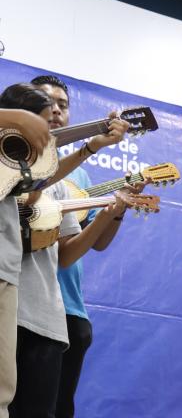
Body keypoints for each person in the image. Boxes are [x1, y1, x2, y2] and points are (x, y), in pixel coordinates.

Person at [0, 82, 129, 418]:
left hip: (42, 311)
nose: (55, 116)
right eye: (44, 114)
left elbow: (36, 185)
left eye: (62, 105)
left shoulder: (52, 180)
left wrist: (91, 151)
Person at [30, 75, 147, 418]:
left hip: (67, 308)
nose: (54, 111)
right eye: (45, 102)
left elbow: (92, 244)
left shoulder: (77, 178)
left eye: (63, 106)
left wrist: (117, 211)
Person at [0, 88, 50, 418]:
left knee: (3, 388)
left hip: (5, 270)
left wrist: (90, 147)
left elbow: (30, 186)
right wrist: (12, 117)